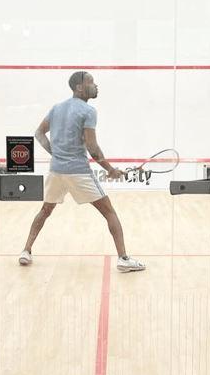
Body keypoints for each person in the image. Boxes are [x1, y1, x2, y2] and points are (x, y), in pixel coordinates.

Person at [18, 71, 146, 272]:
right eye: (91, 82)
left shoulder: (56, 108)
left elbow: (39, 133)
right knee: (109, 212)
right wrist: (110, 170)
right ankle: (123, 258)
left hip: (56, 171)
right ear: (79, 87)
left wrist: (55, 153)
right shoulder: (88, 111)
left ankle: (26, 250)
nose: (95, 85)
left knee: (45, 210)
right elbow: (93, 148)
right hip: (78, 172)